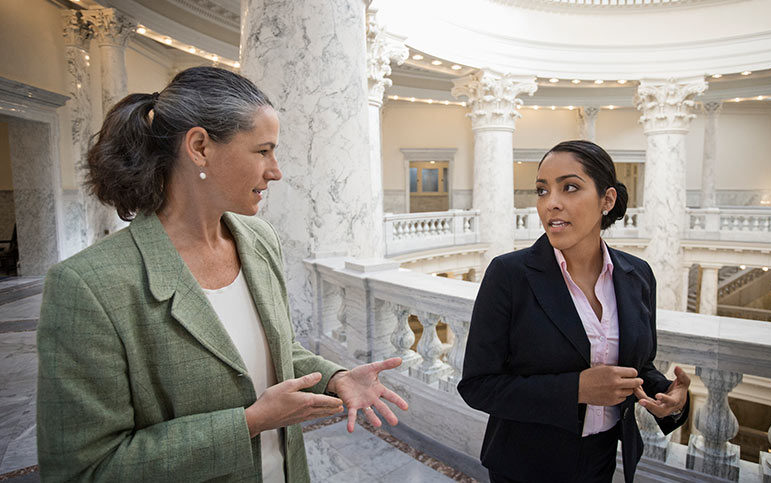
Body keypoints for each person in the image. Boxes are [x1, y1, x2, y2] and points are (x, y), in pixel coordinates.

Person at [36, 66, 408, 483]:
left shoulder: (258, 238)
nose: (276, 170)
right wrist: (248, 423)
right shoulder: (88, 286)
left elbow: (271, 352)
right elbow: (84, 470)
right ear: (199, 147)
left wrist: (335, 377)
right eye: (262, 150)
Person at [458, 140, 691, 483]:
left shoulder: (637, 275)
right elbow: (478, 386)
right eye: (542, 190)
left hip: (601, 461)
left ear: (607, 200)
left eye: (569, 187)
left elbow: (637, 364)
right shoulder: (509, 275)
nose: (551, 203)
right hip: (524, 466)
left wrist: (666, 395)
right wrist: (576, 390)